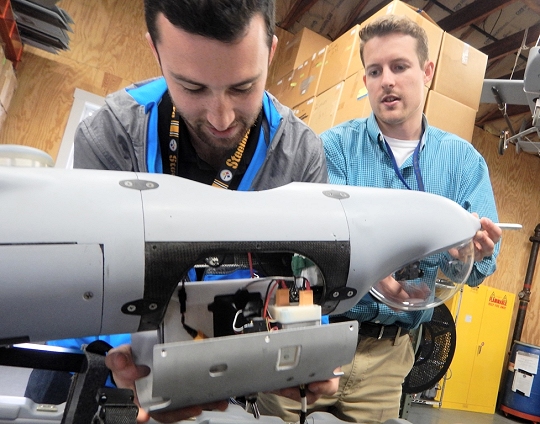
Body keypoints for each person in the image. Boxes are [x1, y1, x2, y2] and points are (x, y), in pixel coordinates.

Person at [25, 0, 337, 422]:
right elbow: (87, 281)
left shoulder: (299, 157)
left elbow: (301, 282)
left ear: (272, 53)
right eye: (192, 88)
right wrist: (141, 357)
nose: (221, 117)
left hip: (226, 369)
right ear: (155, 51)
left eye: (244, 87)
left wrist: (306, 344)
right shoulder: (113, 134)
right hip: (103, 358)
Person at [256, 14, 502, 423]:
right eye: (374, 71)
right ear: (366, 79)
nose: (386, 80)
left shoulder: (463, 164)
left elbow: (480, 269)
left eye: (399, 67)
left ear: (427, 72)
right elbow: (309, 248)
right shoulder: (332, 148)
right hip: (309, 336)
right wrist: (377, 273)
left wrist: (473, 249)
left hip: (388, 358)